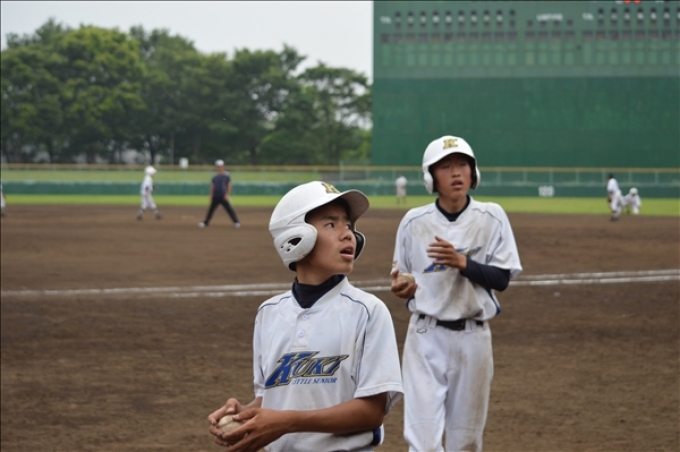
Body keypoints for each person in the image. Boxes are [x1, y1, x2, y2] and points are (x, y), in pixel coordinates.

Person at [207, 181, 403, 452]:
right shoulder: (269, 313)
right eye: (331, 224)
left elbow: (371, 412)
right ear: (294, 236)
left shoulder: (367, 311)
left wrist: (288, 422)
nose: (348, 234)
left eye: (348, 225)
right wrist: (245, 414)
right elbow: (273, 398)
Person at [390, 135, 522, 452]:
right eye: (445, 167)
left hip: (474, 338)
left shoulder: (491, 216)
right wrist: (403, 285)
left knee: (466, 442)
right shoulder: (413, 221)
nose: (456, 172)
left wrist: (463, 262)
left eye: (463, 164)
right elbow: (403, 275)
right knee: (422, 442)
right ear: (431, 177)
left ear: (474, 172)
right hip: (425, 337)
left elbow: (502, 278)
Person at [198, 159, 240, 228]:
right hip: (216, 195)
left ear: (223, 166)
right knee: (211, 210)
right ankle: (205, 223)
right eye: (218, 166)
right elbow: (213, 185)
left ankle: (236, 222)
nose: (219, 167)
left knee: (229, 209)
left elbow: (229, 185)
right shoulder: (215, 176)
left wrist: (227, 194)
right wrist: (211, 194)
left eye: (220, 166)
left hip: (223, 195)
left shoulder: (226, 175)